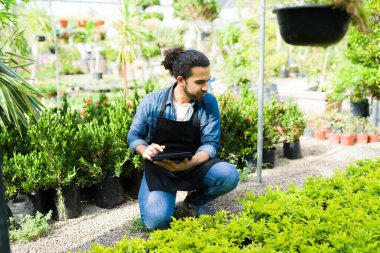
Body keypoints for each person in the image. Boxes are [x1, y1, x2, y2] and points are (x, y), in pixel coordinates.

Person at [127, 46, 239, 230]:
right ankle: (164, 203)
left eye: (208, 81)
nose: (206, 88)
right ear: (181, 80)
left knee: (228, 176)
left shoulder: (208, 102)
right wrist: (144, 149)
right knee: (156, 221)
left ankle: (192, 203)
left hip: (194, 164)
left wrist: (190, 163)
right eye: (200, 82)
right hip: (161, 169)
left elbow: (211, 144)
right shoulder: (152, 101)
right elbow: (134, 136)